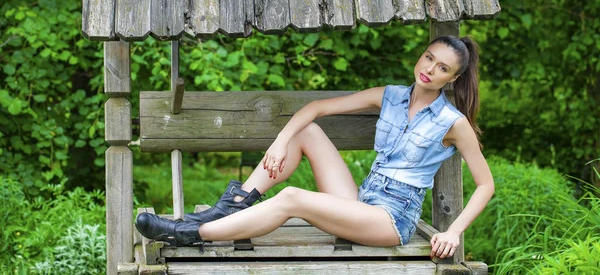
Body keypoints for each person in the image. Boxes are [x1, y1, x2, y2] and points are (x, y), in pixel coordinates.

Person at [136, 35, 495, 259]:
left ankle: (189, 233)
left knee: (294, 197)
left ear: (454, 78)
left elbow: (485, 184)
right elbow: (315, 109)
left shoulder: (453, 122)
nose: (430, 69)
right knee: (305, 130)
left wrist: (453, 231)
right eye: (429, 57)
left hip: (391, 219)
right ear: (422, 55)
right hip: (360, 202)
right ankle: (229, 208)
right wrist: (280, 141)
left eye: (442, 68)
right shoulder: (392, 96)